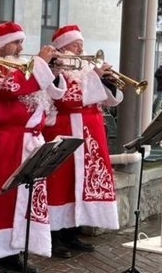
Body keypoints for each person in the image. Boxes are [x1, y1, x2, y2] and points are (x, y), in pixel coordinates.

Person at [0, 21, 65, 273]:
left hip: (29, 141)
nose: (21, 47)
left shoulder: (23, 68)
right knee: (0, 200)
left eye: (21, 41)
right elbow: (11, 88)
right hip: (6, 141)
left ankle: (14, 251)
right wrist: (40, 63)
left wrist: (54, 71)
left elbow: (54, 94)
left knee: (23, 200)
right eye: (16, 42)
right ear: (0, 45)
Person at [42, 24, 122, 257]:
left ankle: (72, 233)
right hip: (65, 130)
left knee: (82, 182)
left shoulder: (86, 67)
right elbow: (68, 98)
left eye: (81, 43)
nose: (80, 47)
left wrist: (107, 81)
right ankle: (54, 236)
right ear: (62, 46)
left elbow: (111, 101)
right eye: (75, 43)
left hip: (90, 134)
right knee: (60, 183)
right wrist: (95, 78)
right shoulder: (55, 67)